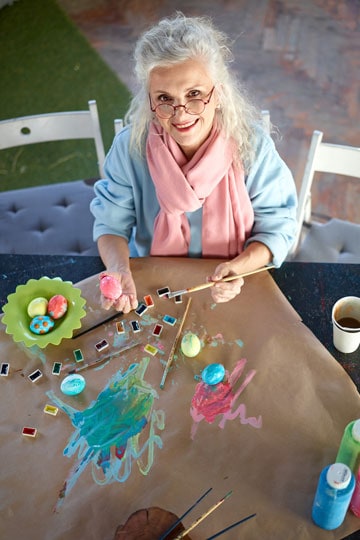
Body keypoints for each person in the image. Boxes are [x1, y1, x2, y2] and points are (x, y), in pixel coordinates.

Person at [90, 12, 297, 313]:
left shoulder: (253, 148)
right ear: (148, 101)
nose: (181, 114)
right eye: (164, 98)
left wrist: (239, 266)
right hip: (151, 282)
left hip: (236, 284)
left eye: (194, 93)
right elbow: (110, 224)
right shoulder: (129, 149)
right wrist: (120, 268)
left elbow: (279, 228)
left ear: (219, 93)